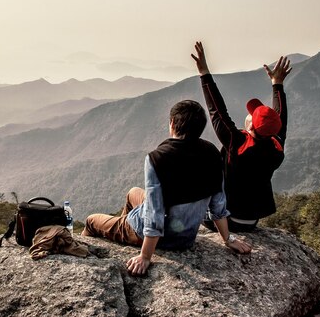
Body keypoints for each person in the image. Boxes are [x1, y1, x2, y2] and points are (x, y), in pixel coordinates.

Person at [81, 100, 251, 277]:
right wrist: (228, 239)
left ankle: (102, 254)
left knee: (91, 221)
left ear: (172, 123)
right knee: (133, 192)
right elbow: (218, 203)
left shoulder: (158, 159)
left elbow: (155, 213)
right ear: (200, 127)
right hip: (186, 237)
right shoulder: (212, 153)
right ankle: (123, 232)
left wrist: (145, 256)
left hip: (163, 237)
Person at [191, 41, 291, 232]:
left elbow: (217, 111)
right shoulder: (275, 146)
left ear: (251, 125)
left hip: (224, 220)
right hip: (250, 221)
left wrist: (204, 73)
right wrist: (277, 84)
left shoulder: (237, 144)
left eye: (252, 115)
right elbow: (280, 119)